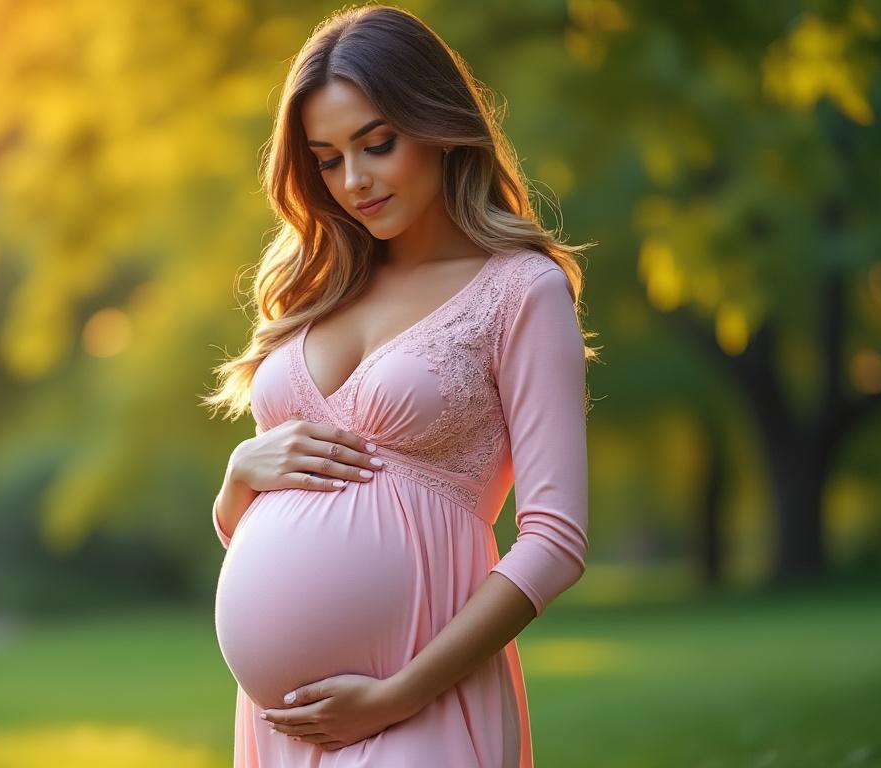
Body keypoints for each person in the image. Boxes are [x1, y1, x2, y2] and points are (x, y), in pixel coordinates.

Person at [201, 4, 597, 767]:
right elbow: (264, 525)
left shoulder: (519, 289)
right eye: (325, 159)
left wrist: (401, 693)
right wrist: (235, 480)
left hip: (421, 701)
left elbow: (555, 542)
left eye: (376, 144)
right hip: (283, 725)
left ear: (439, 125)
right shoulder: (315, 291)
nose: (354, 181)